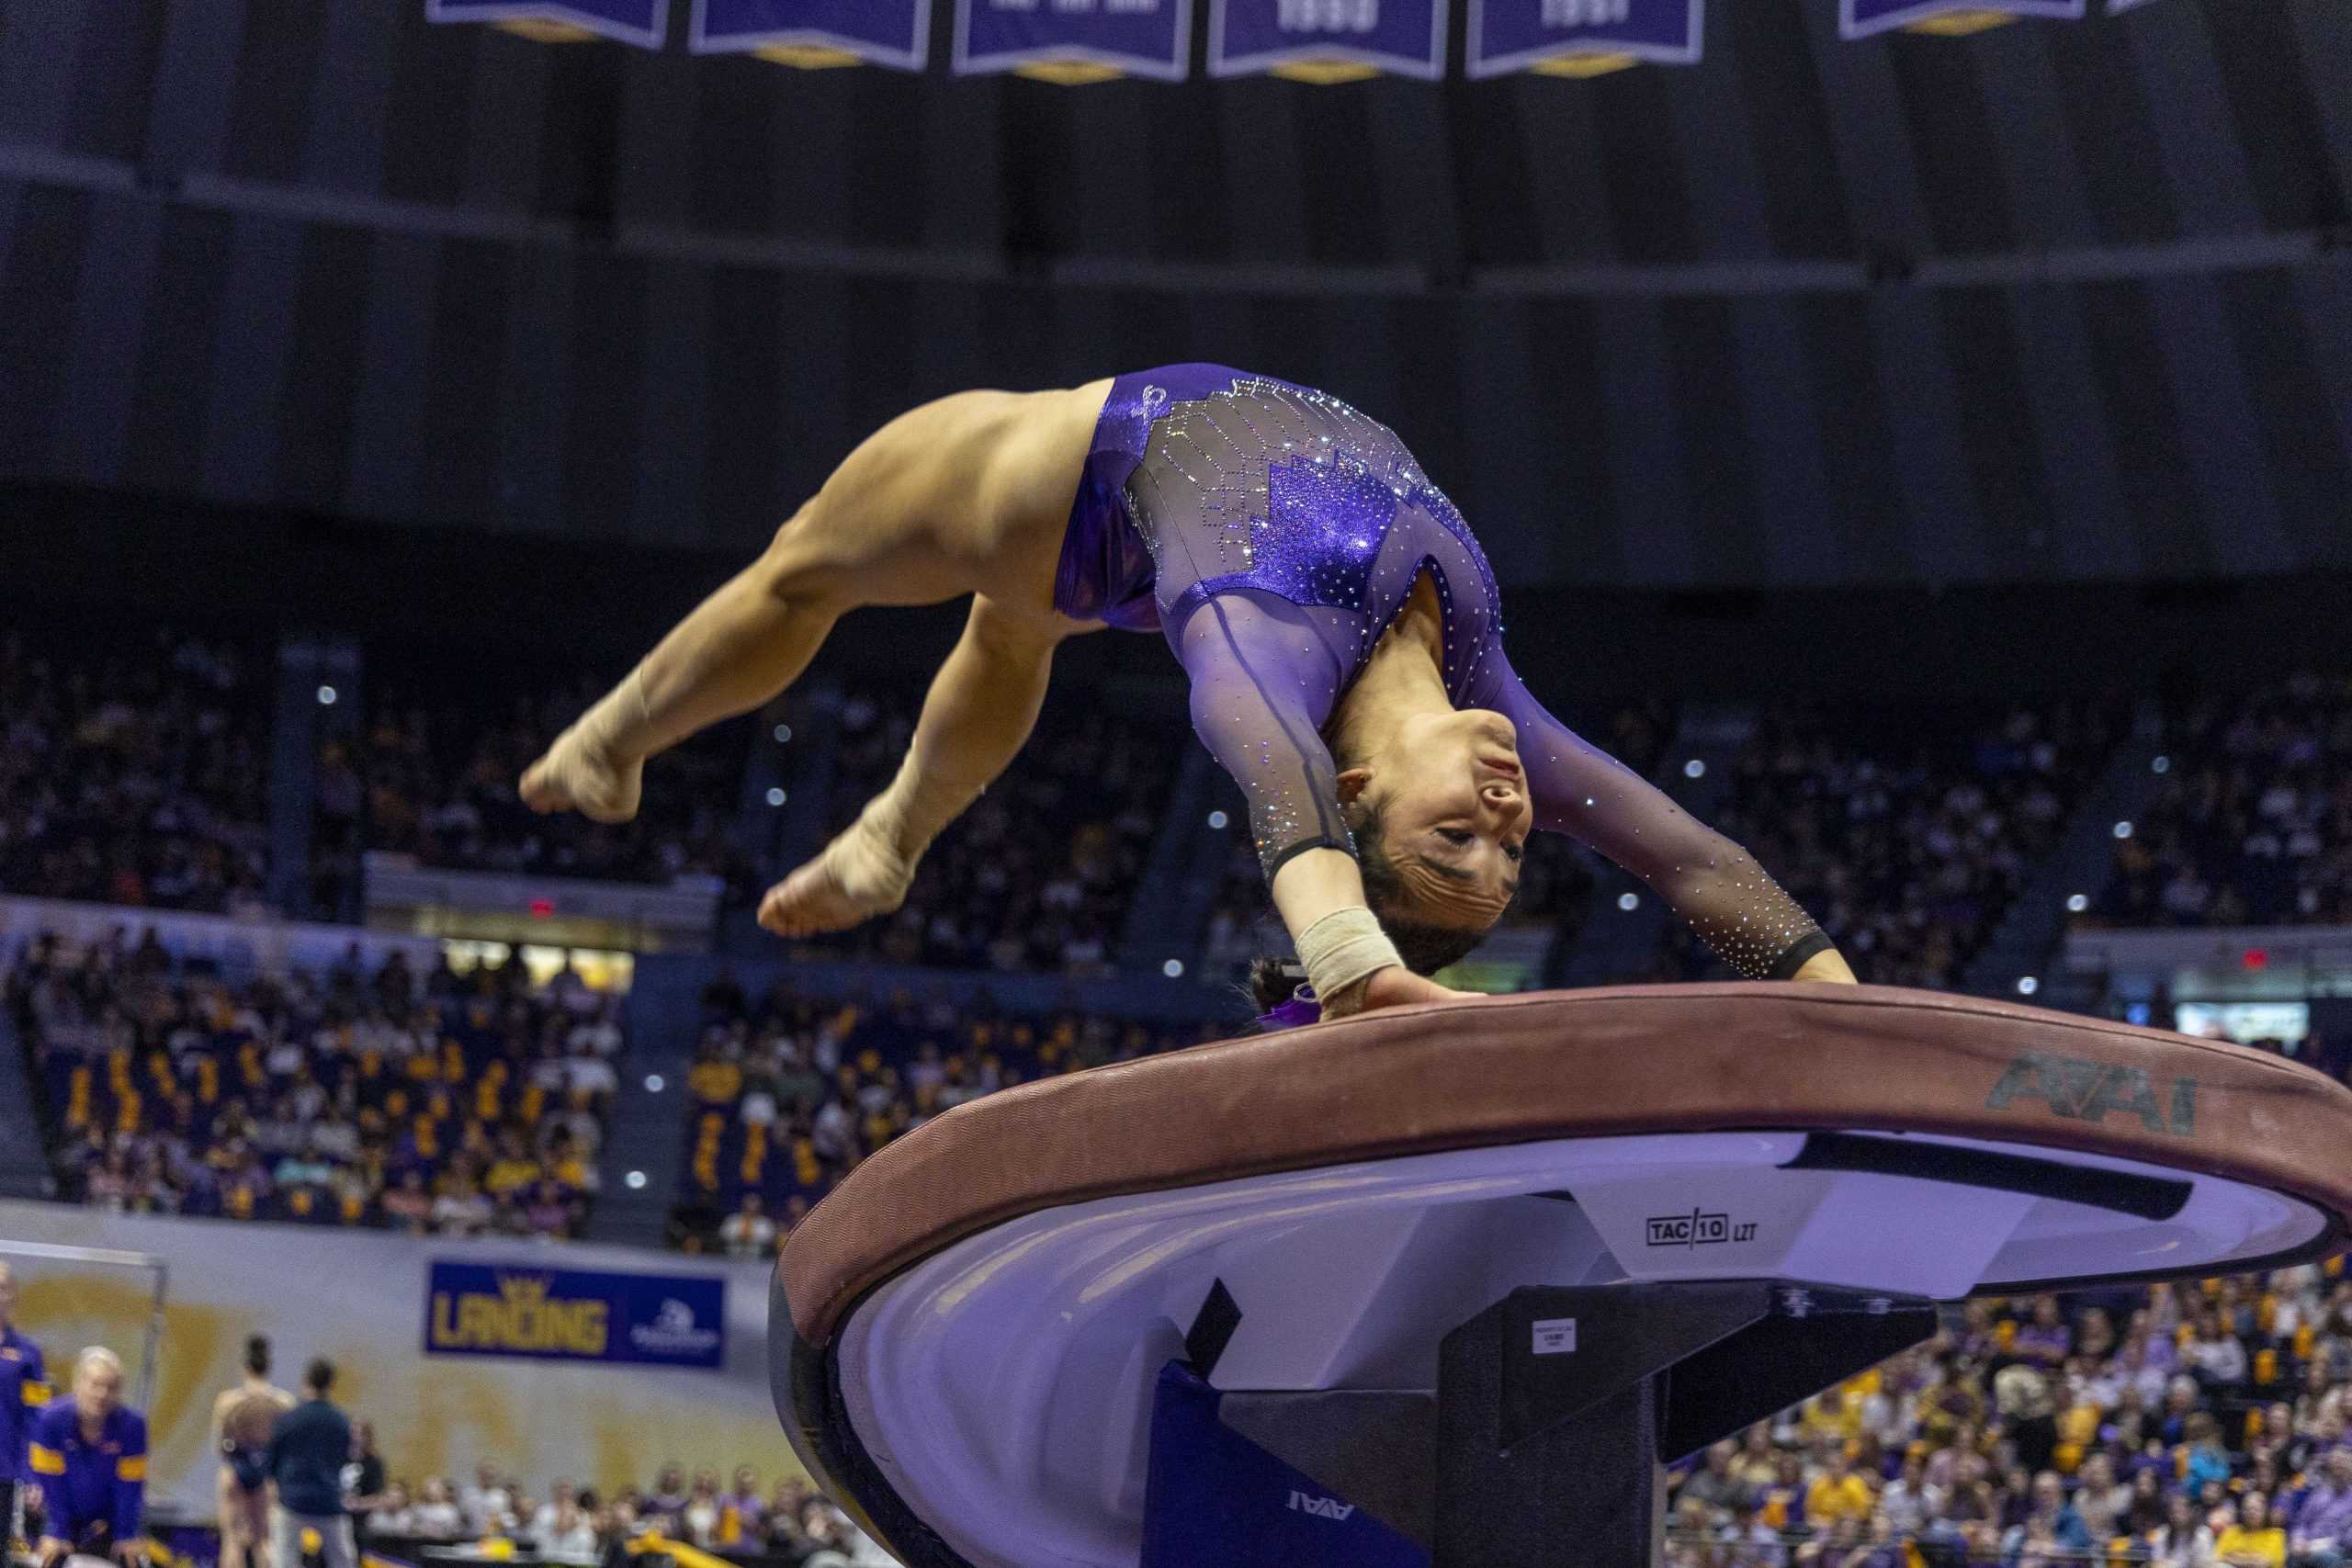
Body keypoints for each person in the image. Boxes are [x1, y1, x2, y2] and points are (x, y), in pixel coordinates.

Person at [521, 368, 1857, 1025]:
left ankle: (608, 739)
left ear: (1361, 794)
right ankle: (886, 839)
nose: (1510, 817)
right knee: (1006, 641)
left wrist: (1358, 971)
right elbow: (1693, 862)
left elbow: (1274, 786)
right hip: (1158, 511)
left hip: (1069, 484)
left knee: (810, 568)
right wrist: (1845, 1013)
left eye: (1461, 839)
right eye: (1510, 852)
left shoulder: (1259, 655)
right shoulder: (1485, 689)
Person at [27, 1348, 147, 1567]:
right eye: (95, 1385)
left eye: (111, 1388)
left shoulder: (133, 1426)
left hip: (109, 1519)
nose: (102, 1394)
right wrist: (58, 1532)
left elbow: (129, 1487)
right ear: (79, 1384)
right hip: (59, 1514)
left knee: (132, 1557)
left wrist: (126, 1534)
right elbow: (51, 1483)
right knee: (51, 1556)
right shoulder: (49, 1420)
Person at [212, 1336, 295, 1568]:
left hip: (235, 1471)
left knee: (232, 1541)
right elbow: (287, 1449)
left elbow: (219, 1444)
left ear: (245, 1367)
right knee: (263, 1541)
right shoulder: (283, 1402)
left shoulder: (228, 1401)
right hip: (266, 1473)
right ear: (268, 1367)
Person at [265, 1359, 355, 1568]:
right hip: (329, 1498)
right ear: (332, 1384)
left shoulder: (290, 1418)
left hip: (292, 1500)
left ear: (305, 1381)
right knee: (342, 1560)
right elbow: (344, 1458)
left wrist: (277, 1486)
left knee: (284, 1560)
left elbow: (272, 1459)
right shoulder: (340, 1420)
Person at [0, 1264, 51, 1553]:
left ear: (13, 1297)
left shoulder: (29, 1355)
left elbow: (38, 1418)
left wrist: (34, 1475)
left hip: (4, 1473)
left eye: (3, 1288)